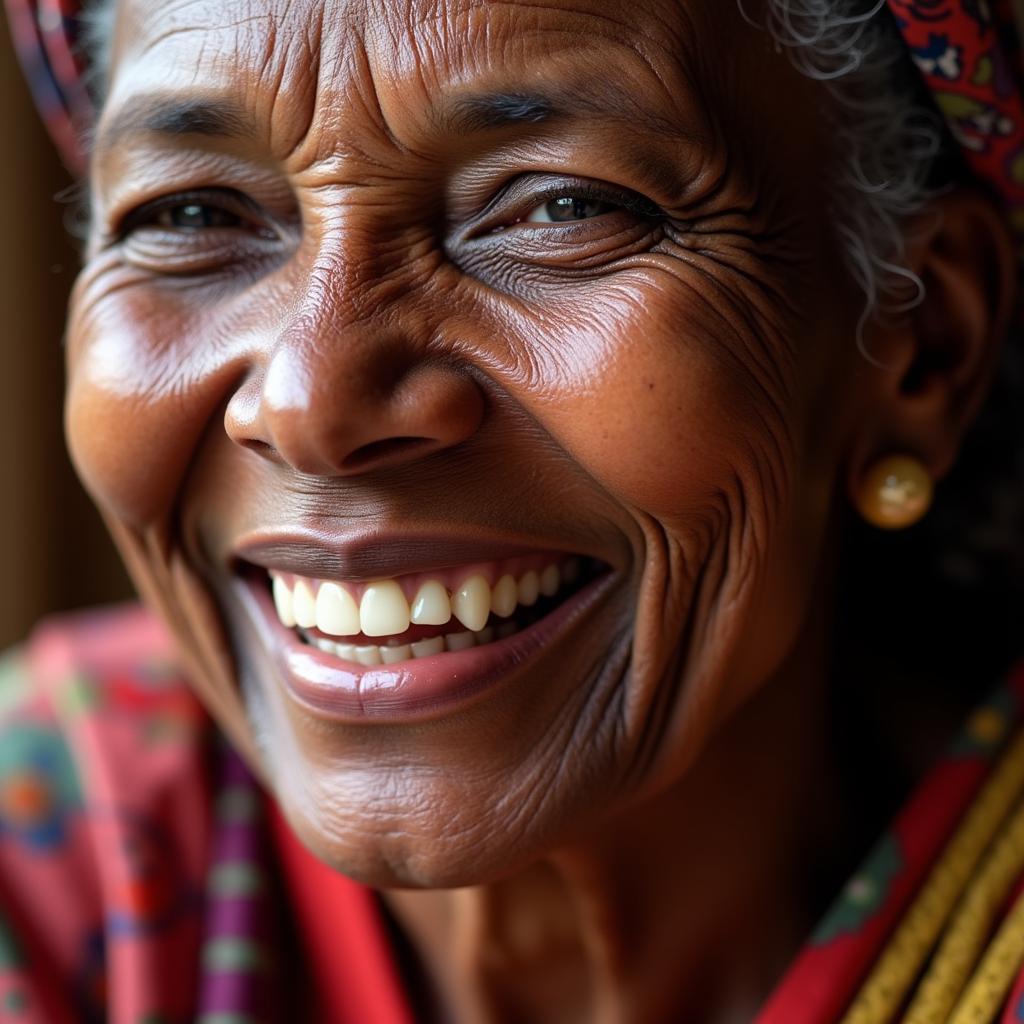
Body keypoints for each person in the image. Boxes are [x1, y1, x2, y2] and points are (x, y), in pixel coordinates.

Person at [3, 0, 1024, 1019]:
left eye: (561, 207)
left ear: (921, 338)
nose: (310, 404)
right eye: (191, 215)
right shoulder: (47, 846)